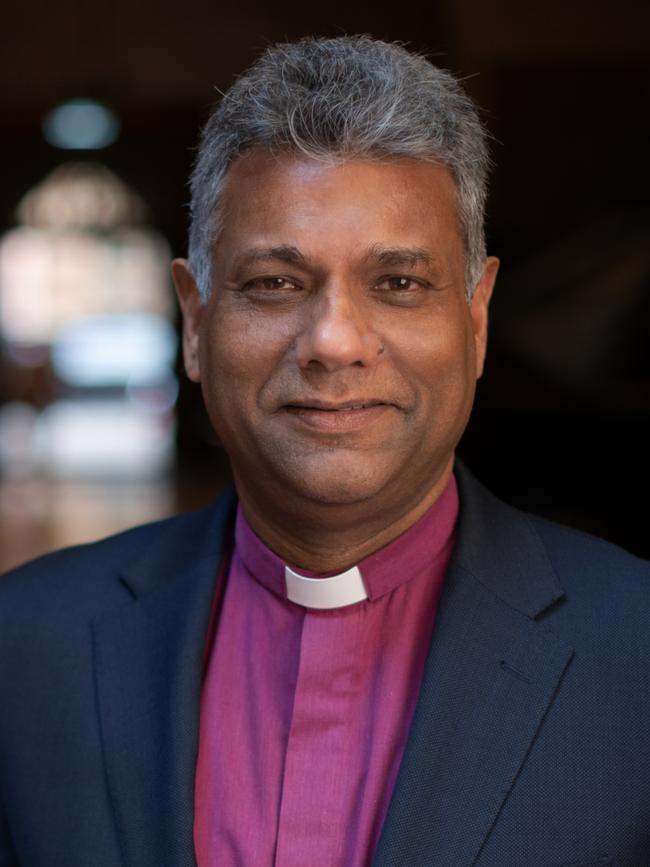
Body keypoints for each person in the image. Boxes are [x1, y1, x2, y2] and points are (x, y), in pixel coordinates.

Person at [0, 35, 649, 867]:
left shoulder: (635, 653)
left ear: (477, 319)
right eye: (275, 282)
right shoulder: (24, 647)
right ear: (195, 324)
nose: (335, 342)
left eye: (400, 283)